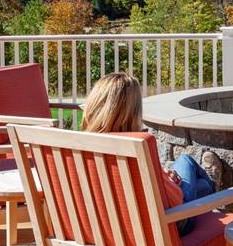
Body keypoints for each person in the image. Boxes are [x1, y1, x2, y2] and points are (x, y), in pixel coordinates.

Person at [81, 72, 215, 236]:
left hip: (106, 230)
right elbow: (176, 199)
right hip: (174, 224)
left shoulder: (75, 147)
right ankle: (213, 188)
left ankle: (208, 186)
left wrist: (163, 176)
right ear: (133, 112)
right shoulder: (137, 147)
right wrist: (169, 182)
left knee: (190, 172)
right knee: (187, 162)